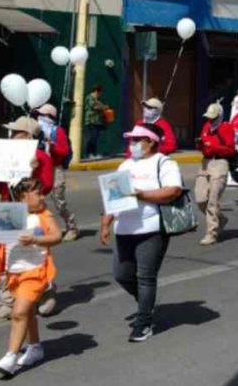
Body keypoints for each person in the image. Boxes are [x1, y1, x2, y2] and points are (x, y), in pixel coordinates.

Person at [100, 123, 182, 343]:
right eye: (131, 140)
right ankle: (146, 304)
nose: (132, 144)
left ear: (151, 142)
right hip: (124, 228)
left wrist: (140, 195)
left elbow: (173, 190)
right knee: (122, 275)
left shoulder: (164, 163)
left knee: (145, 277)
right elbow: (114, 195)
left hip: (151, 228)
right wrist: (106, 221)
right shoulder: (125, 165)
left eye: (137, 140)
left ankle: (144, 323)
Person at [0, 178, 62, 377]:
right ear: (23, 196)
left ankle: (10, 357)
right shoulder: (9, 214)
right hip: (14, 272)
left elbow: (56, 236)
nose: (42, 196)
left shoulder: (43, 215)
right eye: (38, 193)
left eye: (41, 192)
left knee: (19, 312)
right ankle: (35, 347)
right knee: (27, 314)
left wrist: (36, 239)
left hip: (35, 272)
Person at [0, 117, 56, 324]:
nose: (12, 136)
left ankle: (46, 290)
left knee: (35, 253)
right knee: (5, 254)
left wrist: (31, 169)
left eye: (16, 132)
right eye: (12, 133)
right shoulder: (6, 156)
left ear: (27, 136)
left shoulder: (41, 157)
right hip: (8, 208)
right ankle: (7, 302)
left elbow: (47, 186)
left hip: (31, 212)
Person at [34, 104, 78, 242]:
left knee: (59, 200)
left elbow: (63, 151)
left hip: (55, 168)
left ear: (50, 117)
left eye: (43, 115)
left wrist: (53, 147)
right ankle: (43, 227)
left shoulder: (57, 131)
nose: (40, 117)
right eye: (39, 114)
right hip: (40, 167)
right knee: (37, 199)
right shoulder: (37, 130)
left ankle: (72, 227)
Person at [194, 103, 235, 246]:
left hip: (219, 163)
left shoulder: (226, 127)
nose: (210, 121)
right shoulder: (206, 127)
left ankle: (211, 233)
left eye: (213, 118)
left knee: (213, 199)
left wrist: (213, 146)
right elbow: (203, 143)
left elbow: (230, 150)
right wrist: (200, 145)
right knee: (200, 198)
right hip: (205, 163)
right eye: (209, 118)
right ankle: (220, 219)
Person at [83, 84, 107, 159]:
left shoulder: (97, 100)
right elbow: (94, 107)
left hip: (97, 122)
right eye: (100, 93)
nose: (100, 95)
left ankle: (93, 153)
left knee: (95, 138)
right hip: (91, 121)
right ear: (96, 91)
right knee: (92, 138)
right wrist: (103, 107)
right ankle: (88, 154)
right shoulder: (90, 98)